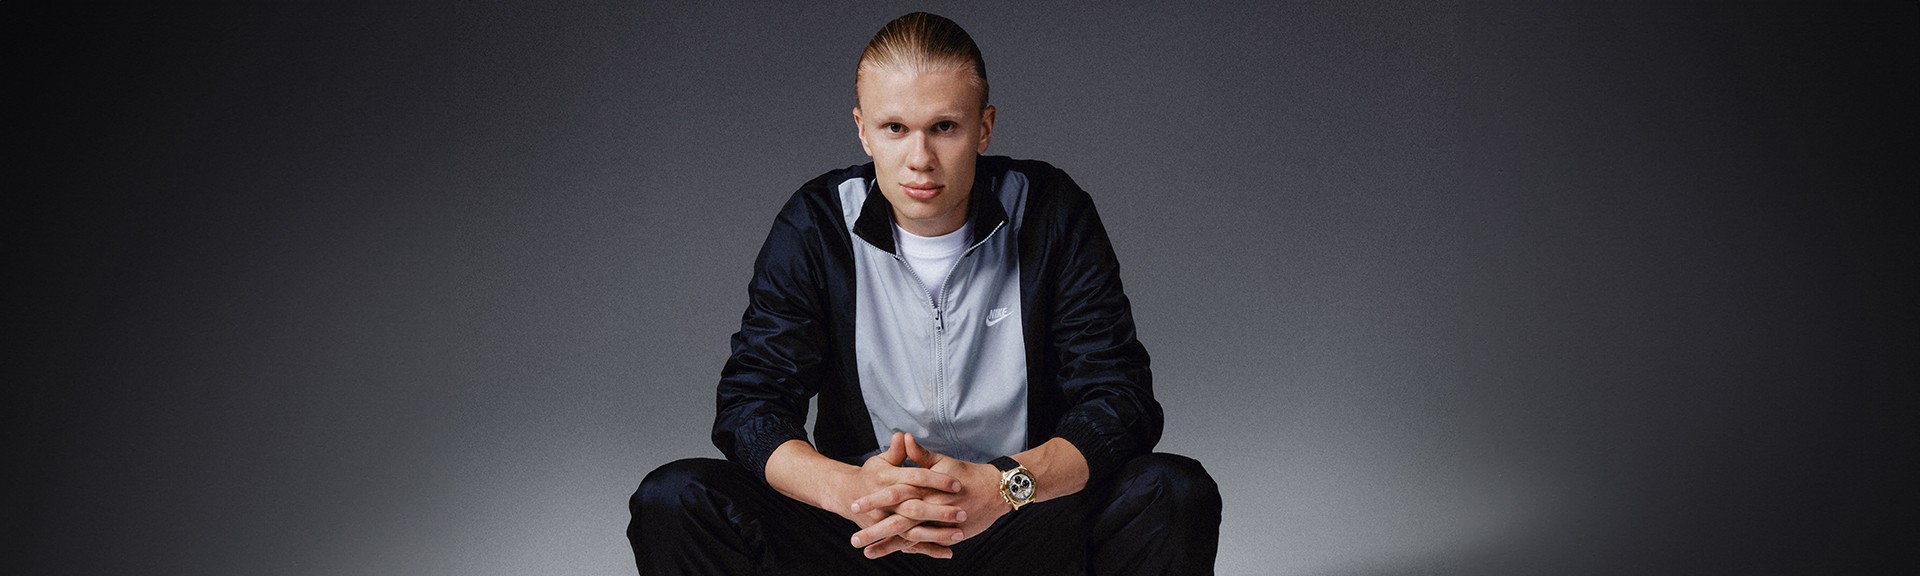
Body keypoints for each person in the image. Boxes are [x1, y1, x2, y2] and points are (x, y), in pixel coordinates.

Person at [629, 12, 1221, 575]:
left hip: (1018, 520)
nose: (920, 160)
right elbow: (750, 408)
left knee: (1173, 492)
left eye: (944, 127)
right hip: (865, 532)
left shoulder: (1049, 212)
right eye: (895, 128)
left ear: (983, 127)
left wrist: (1002, 487)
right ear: (862, 129)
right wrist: (852, 491)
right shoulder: (817, 225)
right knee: (677, 498)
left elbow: (1119, 401)